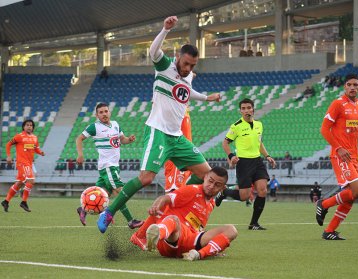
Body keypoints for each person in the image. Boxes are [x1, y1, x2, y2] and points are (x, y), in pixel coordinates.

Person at [97, 15, 221, 234]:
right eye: (185, 64)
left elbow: (185, 92)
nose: (188, 68)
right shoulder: (165, 67)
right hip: (158, 131)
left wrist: (206, 98)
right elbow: (153, 52)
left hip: (177, 137)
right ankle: (109, 212)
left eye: (192, 66)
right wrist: (165, 30)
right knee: (146, 177)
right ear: (178, 58)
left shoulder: (188, 76)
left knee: (207, 175)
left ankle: (180, 197)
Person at [316, 73, 358, 240]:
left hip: (353, 156)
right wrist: (338, 148)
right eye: (349, 85)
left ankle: (329, 231)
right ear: (344, 87)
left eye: (355, 85)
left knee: (352, 196)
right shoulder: (338, 104)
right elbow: (324, 129)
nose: (352, 87)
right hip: (341, 156)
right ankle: (323, 204)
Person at [143, 166, 237, 260]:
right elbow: (165, 198)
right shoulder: (192, 190)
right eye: (210, 181)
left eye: (217, 185)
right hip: (172, 240)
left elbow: (198, 226)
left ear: (222, 188)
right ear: (205, 177)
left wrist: (214, 244)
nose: (212, 186)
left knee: (231, 230)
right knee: (174, 220)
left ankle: (198, 254)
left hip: (191, 242)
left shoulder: (211, 204)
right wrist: (155, 206)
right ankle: (158, 234)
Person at [76, 102, 143, 229]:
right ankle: (130, 221)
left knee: (102, 194)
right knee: (120, 192)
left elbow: (122, 139)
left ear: (109, 112)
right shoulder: (94, 127)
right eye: (101, 112)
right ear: (97, 115)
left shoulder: (116, 125)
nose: (104, 114)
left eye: (106, 111)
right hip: (108, 166)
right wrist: (80, 154)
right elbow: (79, 138)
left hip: (112, 166)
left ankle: (83, 209)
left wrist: (129, 139)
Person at [215, 98, 276, 230]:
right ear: (240, 111)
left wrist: (267, 156)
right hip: (243, 163)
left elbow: (259, 143)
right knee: (244, 196)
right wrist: (231, 156)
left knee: (263, 190)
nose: (246, 110)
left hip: (258, 161)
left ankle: (254, 223)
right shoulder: (236, 126)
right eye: (243, 108)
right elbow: (225, 143)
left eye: (248, 107)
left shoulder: (259, 125)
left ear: (253, 109)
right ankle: (224, 192)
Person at [1, 120, 45, 212]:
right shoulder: (19, 136)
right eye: (27, 125)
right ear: (23, 127)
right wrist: (9, 156)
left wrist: (41, 153)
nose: (29, 127)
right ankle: (23, 202)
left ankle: (6, 201)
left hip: (29, 163)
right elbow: (8, 144)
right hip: (22, 163)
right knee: (31, 180)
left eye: (31, 125)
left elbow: (36, 149)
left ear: (33, 127)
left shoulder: (34, 138)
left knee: (19, 183)